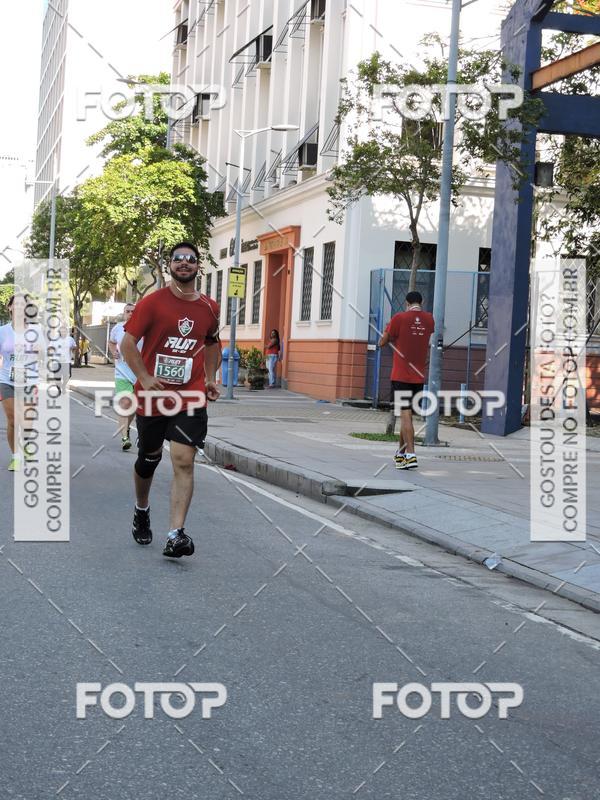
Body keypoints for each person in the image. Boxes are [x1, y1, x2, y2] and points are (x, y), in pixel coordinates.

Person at [120, 241, 221, 559]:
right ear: (171, 265)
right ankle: (141, 508)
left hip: (190, 395)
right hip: (154, 396)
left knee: (183, 459)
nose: (184, 263)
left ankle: (176, 534)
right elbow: (127, 344)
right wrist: (146, 378)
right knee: (149, 459)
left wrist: (211, 378)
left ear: (197, 266)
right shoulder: (152, 303)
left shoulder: (209, 307)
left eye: (190, 259)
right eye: (178, 259)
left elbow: (212, 343)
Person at [379, 291, 434, 470]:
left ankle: (411, 454)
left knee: (405, 415)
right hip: (418, 376)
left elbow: (382, 342)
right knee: (407, 415)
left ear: (406, 303)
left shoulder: (399, 318)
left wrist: (388, 331)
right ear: (422, 301)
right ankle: (401, 454)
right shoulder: (429, 319)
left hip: (401, 375)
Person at [0, 294, 43, 471]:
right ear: (9, 308)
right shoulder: (2, 331)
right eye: (15, 304)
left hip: (29, 381)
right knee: (12, 420)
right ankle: (15, 456)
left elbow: (42, 355)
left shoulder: (35, 331)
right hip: (6, 380)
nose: (19, 307)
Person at [109, 303, 143, 451]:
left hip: (139, 374)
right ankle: (124, 437)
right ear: (124, 313)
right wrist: (113, 352)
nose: (130, 313)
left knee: (133, 406)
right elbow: (111, 342)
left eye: (133, 311)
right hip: (121, 373)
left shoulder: (143, 329)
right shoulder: (118, 328)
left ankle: (126, 428)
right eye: (127, 311)